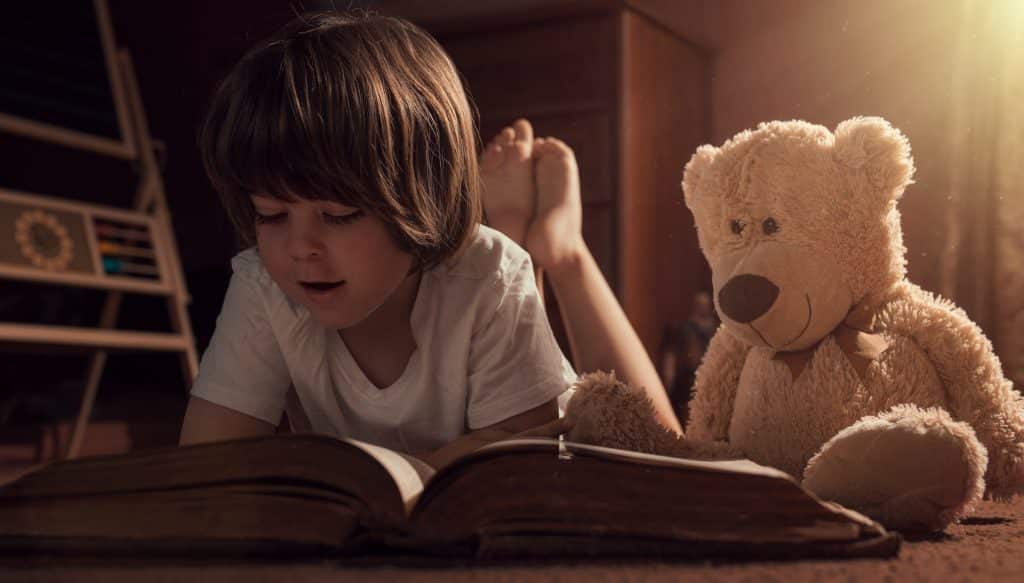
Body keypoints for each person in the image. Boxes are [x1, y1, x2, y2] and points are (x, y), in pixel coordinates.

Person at [179, 11, 680, 469]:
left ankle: (563, 250)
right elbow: (206, 468)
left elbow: (524, 472)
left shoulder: (489, 273)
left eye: (338, 214)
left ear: (428, 198)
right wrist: (437, 464)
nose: (299, 246)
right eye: (271, 214)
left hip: (568, 429)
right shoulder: (266, 281)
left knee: (656, 452)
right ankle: (518, 233)